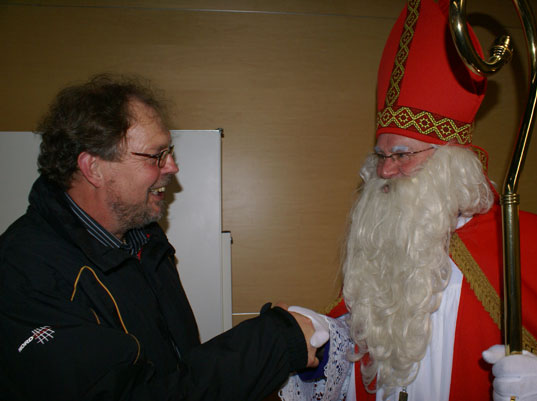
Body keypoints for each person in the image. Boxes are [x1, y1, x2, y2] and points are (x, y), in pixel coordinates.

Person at [279, 0, 537, 400]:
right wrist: (323, 341)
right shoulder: (385, 243)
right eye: (381, 156)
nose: (385, 171)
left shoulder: (526, 243)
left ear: (451, 163)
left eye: (402, 155)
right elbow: (363, 356)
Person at [0, 73, 323, 401]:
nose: (172, 167)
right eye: (156, 156)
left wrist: (263, 337)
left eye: (169, 152)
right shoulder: (23, 275)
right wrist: (272, 343)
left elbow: (177, 370)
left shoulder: (143, 241)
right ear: (94, 168)